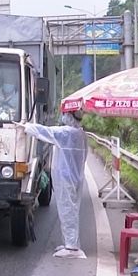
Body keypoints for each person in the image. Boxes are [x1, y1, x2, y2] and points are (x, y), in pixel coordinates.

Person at [16, 111, 88, 259]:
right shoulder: (81, 135)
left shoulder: (65, 133)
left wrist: (26, 126)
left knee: (67, 211)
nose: (63, 116)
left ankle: (71, 248)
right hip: (76, 177)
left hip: (65, 178)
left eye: (66, 114)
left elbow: (45, 131)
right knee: (71, 210)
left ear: (70, 117)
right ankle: (71, 243)